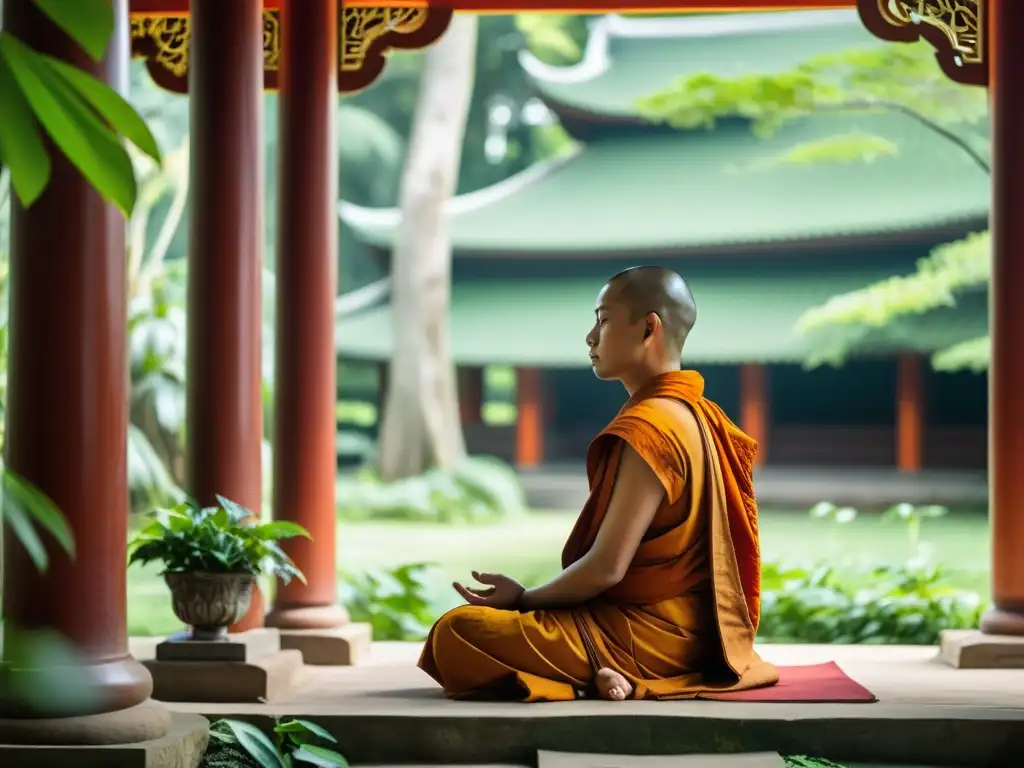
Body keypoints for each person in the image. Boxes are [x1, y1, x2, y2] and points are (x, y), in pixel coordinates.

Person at [418, 266, 779, 701]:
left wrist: (525, 599)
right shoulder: (696, 415)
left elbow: (607, 568)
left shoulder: (655, 425)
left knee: (457, 633)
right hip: (686, 633)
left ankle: (603, 673)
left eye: (603, 320)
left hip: (654, 639)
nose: (591, 337)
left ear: (649, 328)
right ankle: (598, 674)